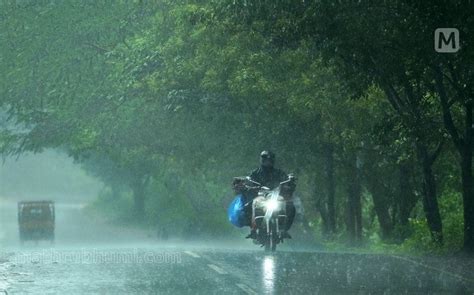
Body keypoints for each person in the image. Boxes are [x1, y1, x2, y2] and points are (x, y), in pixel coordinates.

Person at [235, 150, 296, 240]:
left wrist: (290, 180)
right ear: (262, 160)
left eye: (270, 160)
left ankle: (284, 229)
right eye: (266, 160)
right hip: (261, 196)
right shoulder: (255, 173)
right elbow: (249, 182)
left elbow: (287, 180)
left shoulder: (279, 172)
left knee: (290, 206)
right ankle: (253, 229)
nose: (268, 162)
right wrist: (247, 184)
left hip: (276, 197)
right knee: (251, 205)